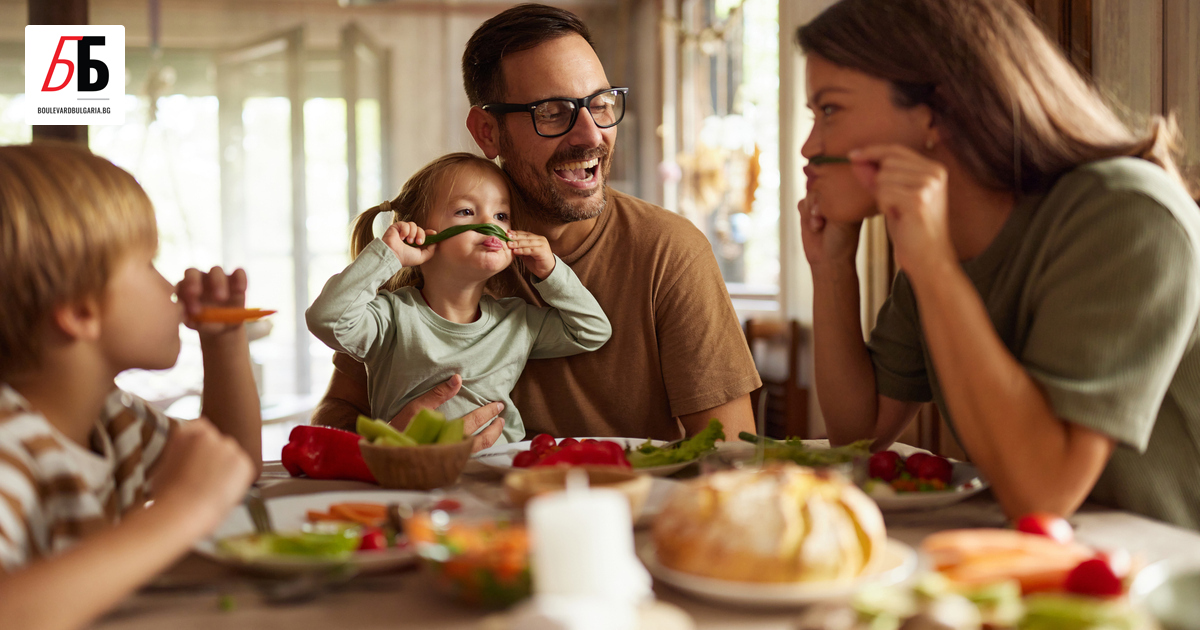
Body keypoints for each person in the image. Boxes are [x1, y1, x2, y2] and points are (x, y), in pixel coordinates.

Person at [796, 0, 1200, 528]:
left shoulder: (1126, 214)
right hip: (1048, 557)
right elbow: (860, 432)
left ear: (934, 112)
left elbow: (1043, 493)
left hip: (1162, 580)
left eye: (829, 110)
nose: (809, 146)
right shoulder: (944, 237)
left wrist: (935, 270)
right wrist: (832, 270)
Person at [312, 4, 761, 447]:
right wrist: (387, 441)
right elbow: (330, 421)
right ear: (487, 131)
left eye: (601, 104)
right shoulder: (435, 248)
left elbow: (732, 455)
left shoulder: (672, 253)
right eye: (552, 111)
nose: (591, 135)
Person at [0, 143, 261, 629]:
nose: (171, 285)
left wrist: (223, 347)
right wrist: (180, 511)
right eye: (148, 263)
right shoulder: (9, 448)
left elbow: (229, 466)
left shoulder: (108, 417)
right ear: (80, 311)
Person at [307, 153, 611, 444]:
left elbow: (592, 331)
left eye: (501, 215)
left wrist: (551, 270)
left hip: (501, 467)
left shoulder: (517, 321)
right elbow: (327, 318)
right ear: (421, 233)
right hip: (415, 469)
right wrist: (388, 256)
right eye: (466, 211)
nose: (491, 224)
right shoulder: (391, 319)